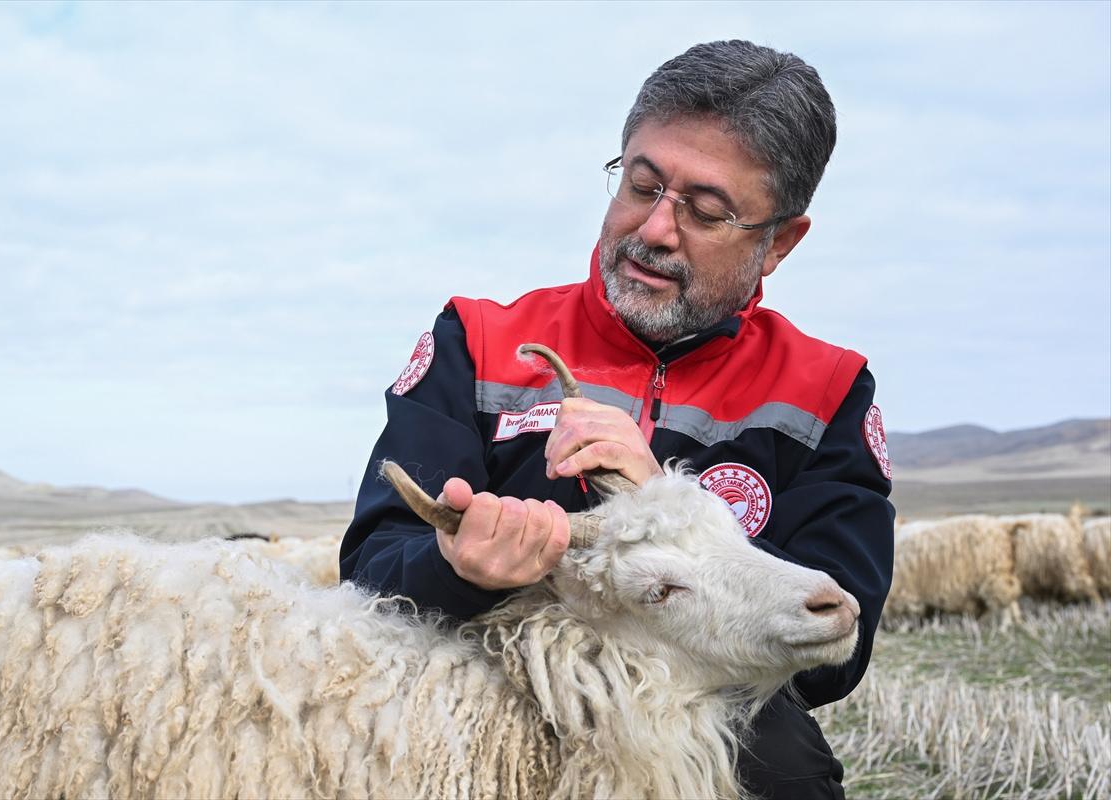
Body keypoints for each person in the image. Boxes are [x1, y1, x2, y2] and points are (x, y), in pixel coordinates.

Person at [340, 39, 894, 799]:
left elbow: (839, 638)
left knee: (784, 770)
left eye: (706, 211)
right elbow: (371, 567)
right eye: (641, 185)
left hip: (699, 697)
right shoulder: (475, 340)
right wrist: (456, 570)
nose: (656, 230)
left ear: (779, 243)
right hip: (474, 683)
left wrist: (666, 502)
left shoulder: (825, 389)